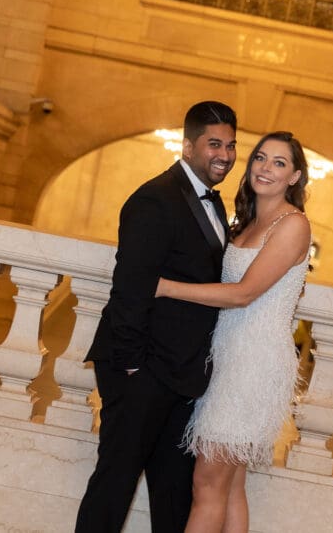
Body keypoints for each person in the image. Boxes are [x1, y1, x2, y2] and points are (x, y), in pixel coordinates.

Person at [76, 101, 238, 533]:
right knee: (115, 484)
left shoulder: (213, 202)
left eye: (230, 145)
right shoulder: (155, 199)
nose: (224, 155)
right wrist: (132, 365)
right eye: (214, 144)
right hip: (142, 367)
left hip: (182, 373)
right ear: (187, 146)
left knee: (174, 495)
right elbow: (130, 286)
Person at [155, 131, 312, 533]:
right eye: (260, 158)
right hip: (226, 356)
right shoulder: (246, 223)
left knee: (206, 485)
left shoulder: (293, 225)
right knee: (229, 485)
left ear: (295, 177)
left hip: (253, 363)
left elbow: (243, 294)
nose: (266, 168)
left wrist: (166, 287)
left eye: (279, 163)